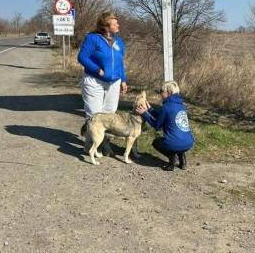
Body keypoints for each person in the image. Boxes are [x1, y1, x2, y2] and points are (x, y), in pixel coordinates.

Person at [77, 12, 128, 142]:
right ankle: (90, 145)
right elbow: (82, 57)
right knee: (94, 115)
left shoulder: (119, 42)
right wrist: (97, 69)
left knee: (109, 114)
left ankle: (104, 143)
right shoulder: (92, 38)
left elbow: (120, 62)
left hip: (114, 82)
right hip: (94, 81)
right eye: (115, 23)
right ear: (106, 25)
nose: (118, 25)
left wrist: (123, 80)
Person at [135, 81, 195, 171]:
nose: (160, 94)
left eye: (162, 91)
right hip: (189, 142)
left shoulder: (166, 106)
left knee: (156, 142)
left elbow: (157, 126)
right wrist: (150, 109)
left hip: (175, 143)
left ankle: (172, 159)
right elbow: (162, 116)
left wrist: (144, 114)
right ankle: (183, 161)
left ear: (169, 93)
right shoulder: (181, 106)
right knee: (178, 139)